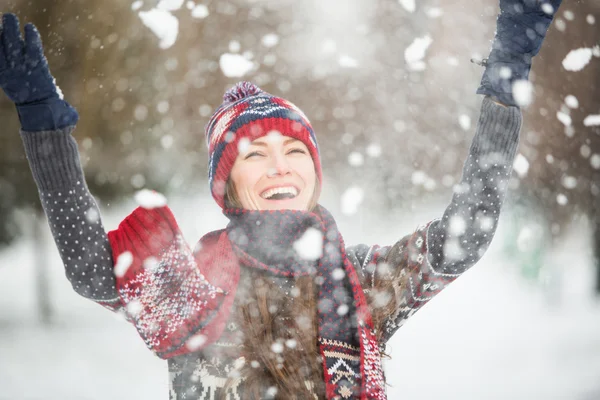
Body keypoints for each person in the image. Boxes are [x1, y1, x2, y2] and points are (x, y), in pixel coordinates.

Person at [0, 1, 561, 398]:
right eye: (253, 154)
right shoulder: (198, 281)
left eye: (294, 150)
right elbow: (94, 271)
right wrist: (45, 132)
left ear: (314, 172)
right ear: (228, 186)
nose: (278, 166)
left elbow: (465, 237)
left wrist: (504, 82)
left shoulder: (357, 280)